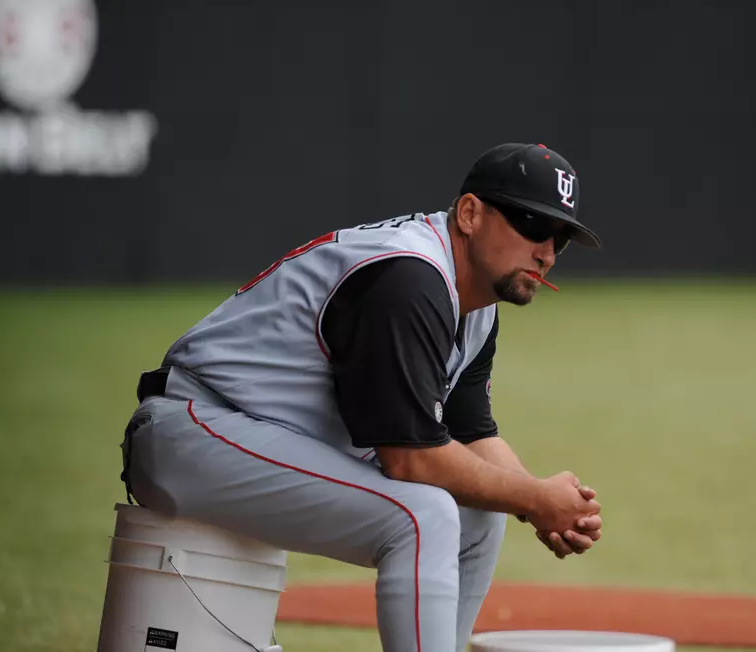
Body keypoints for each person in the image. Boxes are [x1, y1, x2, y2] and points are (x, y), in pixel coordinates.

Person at [120, 142, 606, 652]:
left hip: (245, 437)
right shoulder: (410, 278)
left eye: (560, 239)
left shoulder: (474, 305)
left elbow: (472, 434)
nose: (546, 252)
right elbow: (409, 460)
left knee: (477, 516)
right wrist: (536, 498)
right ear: (469, 214)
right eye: (531, 224)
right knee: (426, 516)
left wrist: (542, 500)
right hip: (192, 429)